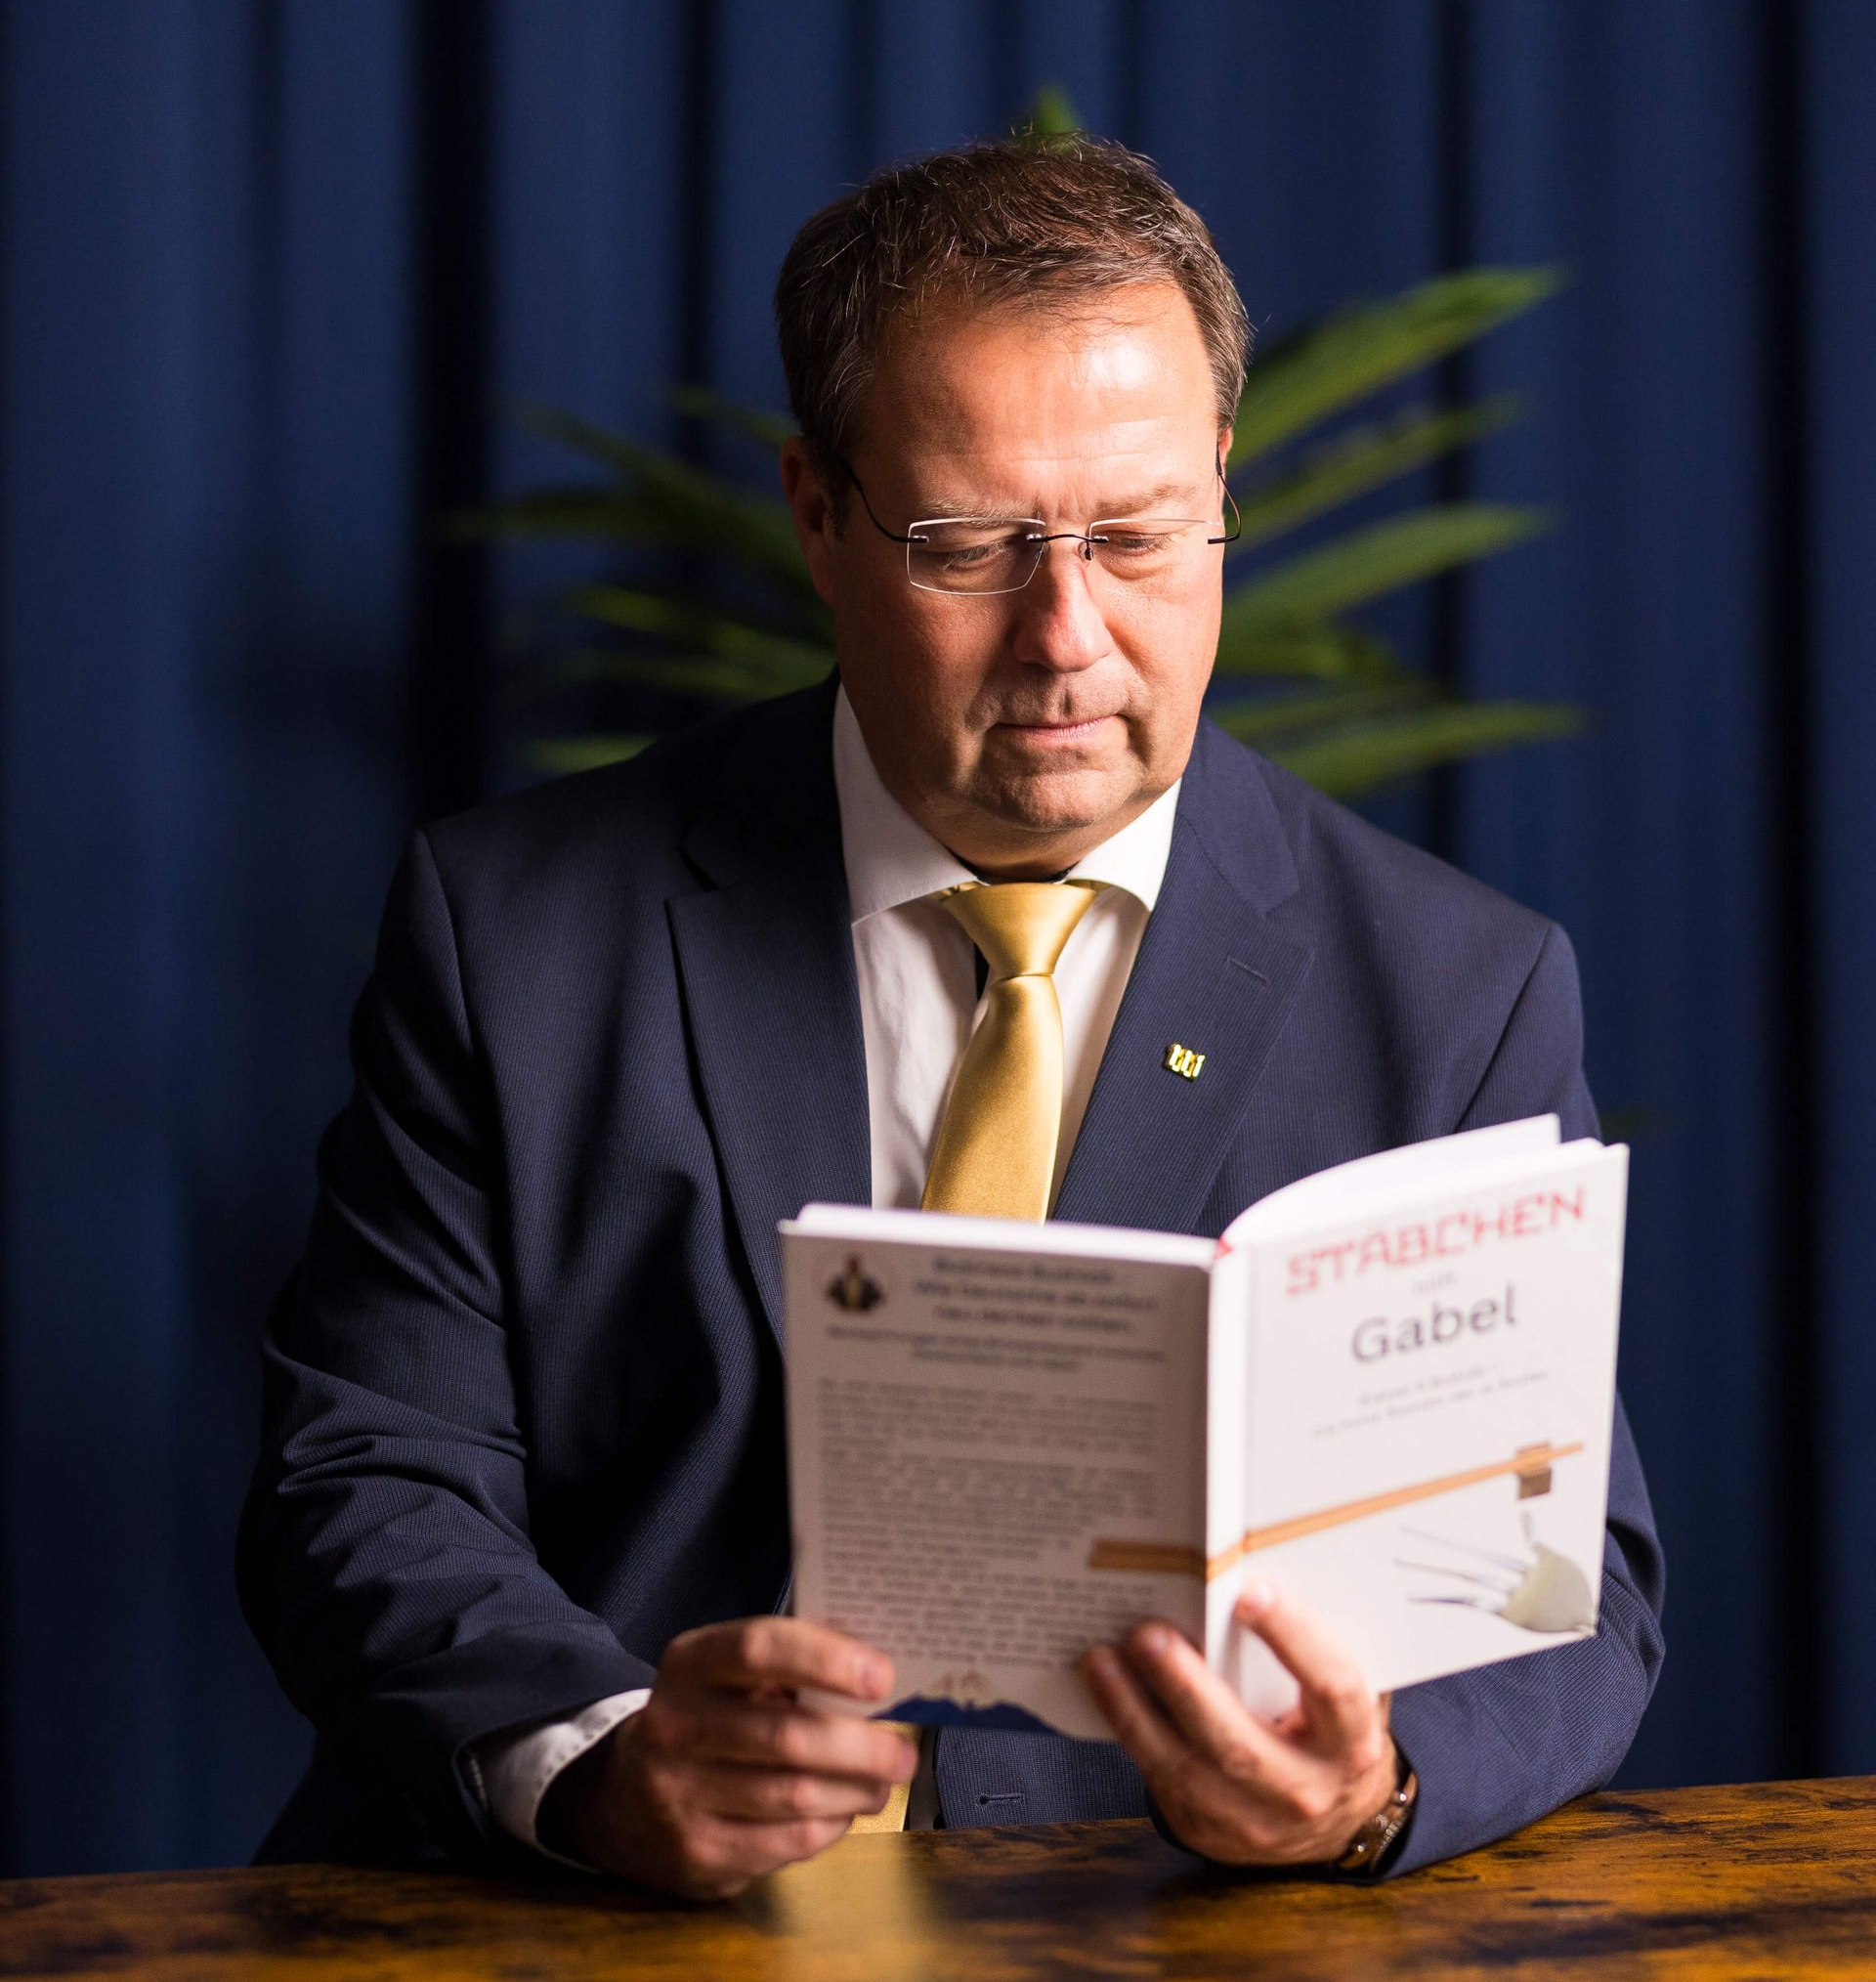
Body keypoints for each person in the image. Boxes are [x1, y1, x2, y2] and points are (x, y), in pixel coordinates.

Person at [238, 137, 1664, 1899]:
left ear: (1224, 492)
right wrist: (598, 1764)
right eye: (971, 545)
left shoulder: (1462, 988)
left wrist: (1365, 1792)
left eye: (1140, 537)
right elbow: (364, 1473)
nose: (1068, 638)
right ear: (819, 517)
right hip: (589, 1915)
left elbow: (1564, 1576)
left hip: (1163, 1924)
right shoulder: (510, 928)